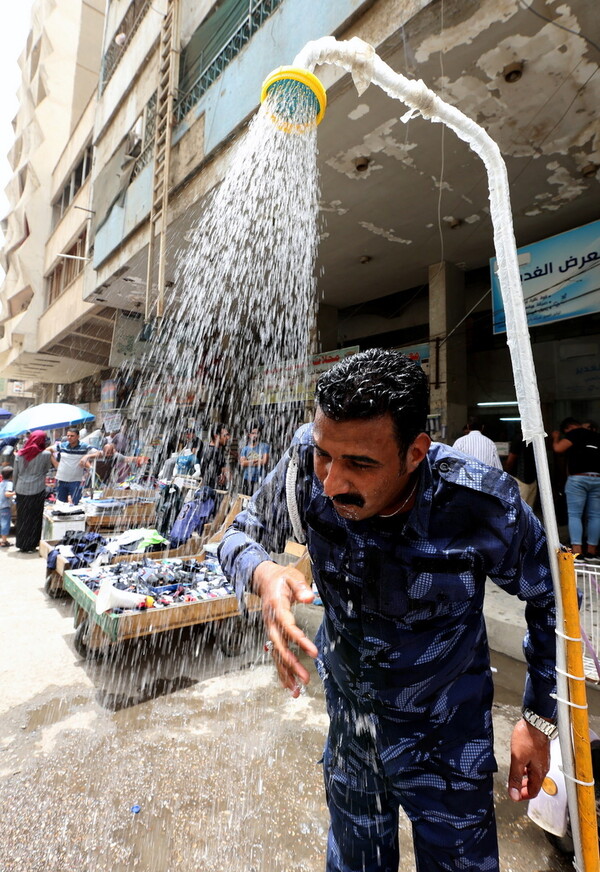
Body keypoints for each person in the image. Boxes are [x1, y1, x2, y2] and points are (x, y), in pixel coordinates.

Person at [219, 348, 556, 872]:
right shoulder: (304, 467)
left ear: (416, 452)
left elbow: (550, 598)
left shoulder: (478, 501)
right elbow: (237, 537)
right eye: (324, 456)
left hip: (448, 744)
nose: (331, 482)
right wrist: (267, 577)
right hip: (352, 734)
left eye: (360, 464)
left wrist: (537, 719)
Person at [551, 417, 600, 560]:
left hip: (578, 479)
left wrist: (556, 438)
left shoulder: (575, 433)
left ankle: (577, 552)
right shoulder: (596, 436)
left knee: (574, 515)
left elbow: (558, 448)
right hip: (597, 478)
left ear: (569, 427)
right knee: (595, 516)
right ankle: (592, 552)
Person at [12, 430, 54, 552]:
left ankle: (21, 544)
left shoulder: (19, 455)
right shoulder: (46, 455)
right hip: (37, 489)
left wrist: (15, 488)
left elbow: (16, 473)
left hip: (21, 489)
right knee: (35, 518)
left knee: (23, 517)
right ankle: (32, 544)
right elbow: (46, 470)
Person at [49, 427, 101, 505]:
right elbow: (48, 450)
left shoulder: (84, 446)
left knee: (75, 503)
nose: (69, 438)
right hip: (61, 479)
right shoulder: (62, 446)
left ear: (77, 436)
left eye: (72, 436)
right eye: (68, 436)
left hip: (75, 481)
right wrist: (55, 463)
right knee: (61, 503)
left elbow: (99, 453)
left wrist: (87, 456)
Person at [504, 431, 537, 508]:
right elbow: (510, 460)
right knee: (524, 511)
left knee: (522, 511)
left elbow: (509, 461)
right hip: (522, 480)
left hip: (526, 480)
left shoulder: (534, 438)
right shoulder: (520, 439)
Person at [198, 423, 231, 489]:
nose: (228, 438)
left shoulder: (205, 449)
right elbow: (228, 475)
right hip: (215, 491)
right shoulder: (217, 453)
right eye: (226, 435)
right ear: (216, 436)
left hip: (205, 488)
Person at [239, 423, 270, 493]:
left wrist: (248, 462)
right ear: (249, 435)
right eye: (253, 433)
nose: (255, 435)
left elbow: (265, 461)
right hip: (247, 479)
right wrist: (257, 460)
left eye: (257, 433)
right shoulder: (245, 449)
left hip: (260, 479)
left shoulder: (265, 446)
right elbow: (242, 463)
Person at [0, 466, 14, 547]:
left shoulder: (1, 483)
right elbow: (7, 494)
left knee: (1, 523)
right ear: (11, 476)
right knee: (5, 524)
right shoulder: (9, 483)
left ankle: (3, 540)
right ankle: (4, 542)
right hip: (5, 507)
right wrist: (15, 493)